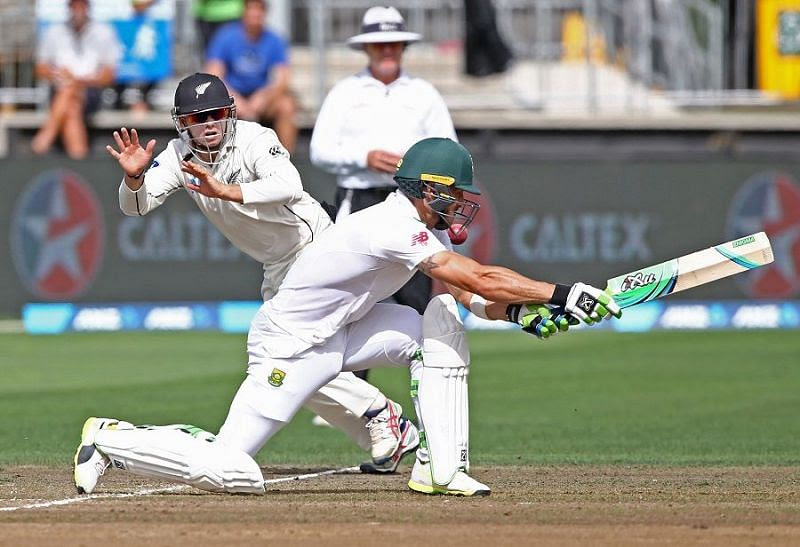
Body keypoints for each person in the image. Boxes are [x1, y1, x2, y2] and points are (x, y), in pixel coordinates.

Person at [74, 137, 621, 497]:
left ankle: (441, 467)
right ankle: (112, 438)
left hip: (346, 332)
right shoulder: (392, 224)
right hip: (291, 347)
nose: (459, 205)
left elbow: (472, 297)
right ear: (427, 189)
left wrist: (522, 313)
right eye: (453, 194)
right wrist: (561, 293)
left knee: (441, 321)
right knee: (232, 472)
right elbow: (477, 276)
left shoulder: (416, 231)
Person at [97, 72, 419, 480]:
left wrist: (225, 191)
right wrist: (134, 177)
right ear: (182, 124)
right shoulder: (180, 155)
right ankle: (384, 421)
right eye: (198, 118)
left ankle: (378, 415)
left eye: (215, 114)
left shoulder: (254, 138)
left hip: (314, 247)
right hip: (277, 266)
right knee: (282, 361)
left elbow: (288, 184)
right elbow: (135, 207)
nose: (209, 124)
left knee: (279, 355)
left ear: (229, 113)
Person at [310, 6, 457, 385]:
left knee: (418, 295)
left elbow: (448, 148)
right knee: (351, 299)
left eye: (393, 44)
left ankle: (433, 382)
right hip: (358, 198)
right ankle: (352, 394)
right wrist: (365, 157)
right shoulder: (346, 91)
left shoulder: (423, 93)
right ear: (367, 49)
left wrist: (420, 174)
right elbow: (320, 149)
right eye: (379, 45)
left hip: (411, 204)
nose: (387, 51)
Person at [31, 0, 121, 159]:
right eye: (74, 5)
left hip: (90, 91)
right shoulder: (54, 32)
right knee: (71, 104)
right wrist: (58, 74)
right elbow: (41, 68)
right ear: (69, 7)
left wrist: (81, 80)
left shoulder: (104, 32)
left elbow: (110, 74)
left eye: (82, 5)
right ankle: (79, 160)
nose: (78, 9)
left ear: (88, 7)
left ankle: (46, 135)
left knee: (70, 93)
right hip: (61, 89)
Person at [205, 0, 297, 153]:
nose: (255, 15)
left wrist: (263, 97)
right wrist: (234, 99)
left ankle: (285, 160)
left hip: (262, 97)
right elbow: (213, 75)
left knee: (286, 106)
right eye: (251, 10)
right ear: (244, 13)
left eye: (259, 10)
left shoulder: (274, 40)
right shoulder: (225, 37)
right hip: (230, 96)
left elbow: (282, 79)